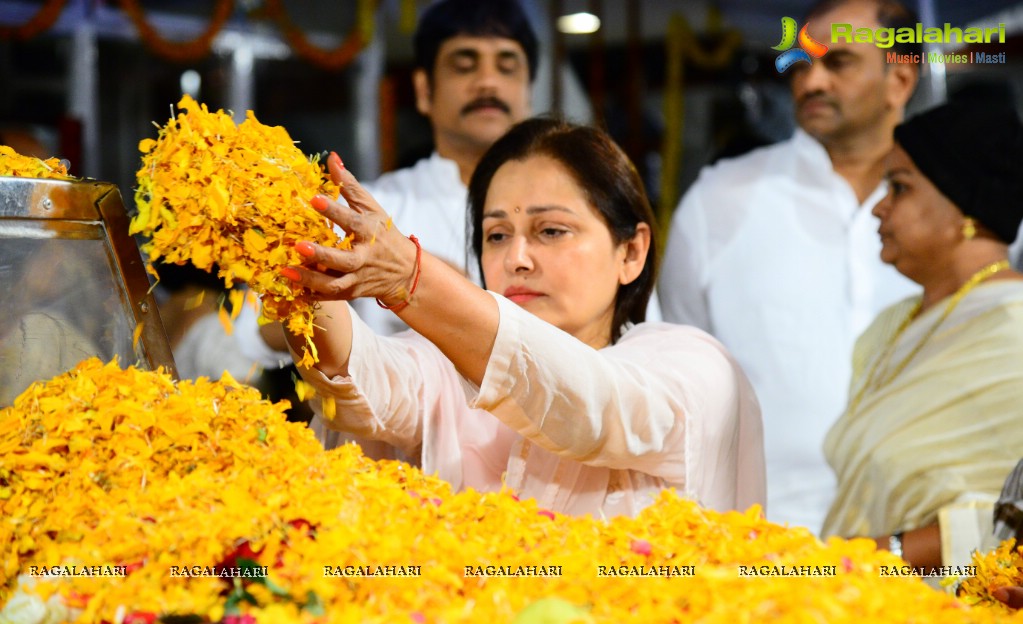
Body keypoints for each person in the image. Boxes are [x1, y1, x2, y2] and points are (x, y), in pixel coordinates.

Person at [276, 118, 765, 518]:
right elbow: (359, 382)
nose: (518, 259)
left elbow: (594, 405)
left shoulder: (692, 366)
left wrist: (411, 277)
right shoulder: (447, 367)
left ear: (631, 252)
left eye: (551, 230)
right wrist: (291, 252)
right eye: (496, 235)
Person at [656, 0, 921, 533]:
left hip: (929, 546)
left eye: (837, 61)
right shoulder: (721, 199)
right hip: (763, 540)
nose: (809, 82)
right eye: (801, 64)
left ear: (899, 78)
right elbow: (675, 374)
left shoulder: (957, 209)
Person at [235, 0, 538, 371]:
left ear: (528, 90)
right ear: (424, 90)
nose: (488, 81)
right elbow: (249, 335)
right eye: (464, 64)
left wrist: (425, 281)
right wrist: (308, 291)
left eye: (507, 66)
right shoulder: (372, 209)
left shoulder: (564, 208)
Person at [821, 102, 1023, 570]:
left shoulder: (1013, 330)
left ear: (964, 206)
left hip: (965, 617)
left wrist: (882, 556)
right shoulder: (892, 325)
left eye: (900, 187)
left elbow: (1011, 522)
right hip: (853, 600)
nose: (878, 206)